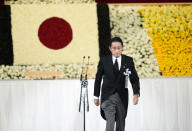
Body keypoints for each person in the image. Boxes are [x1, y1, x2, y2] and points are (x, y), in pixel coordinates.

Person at [93, 37, 140, 131]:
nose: (117, 50)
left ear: (122, 48)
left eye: (119, 48)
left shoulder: (128, 60)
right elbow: (98, 79)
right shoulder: (104, 60)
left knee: (121, 122)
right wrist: (96, 96)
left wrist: (136, 93)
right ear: (110, 48)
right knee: (110, 121)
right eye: (114, 48)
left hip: (121, 97)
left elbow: (134, 79)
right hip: (107, 96)